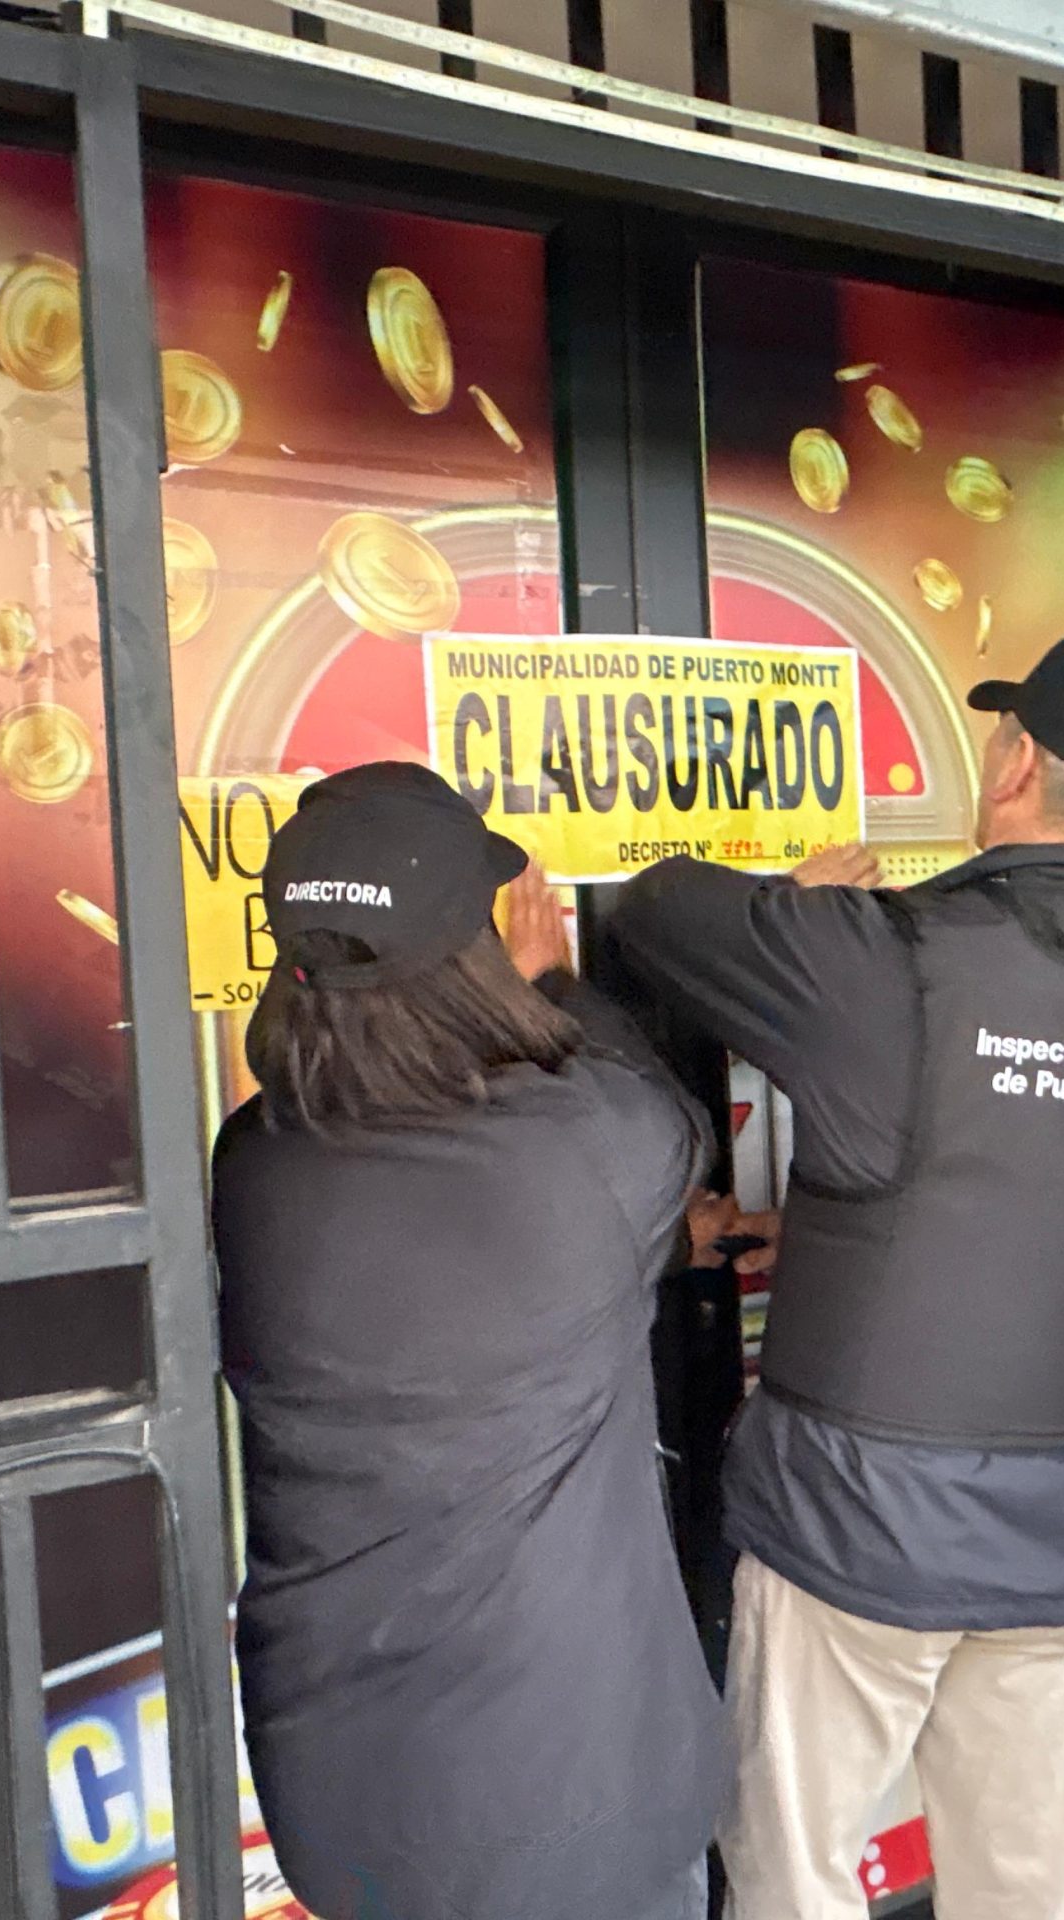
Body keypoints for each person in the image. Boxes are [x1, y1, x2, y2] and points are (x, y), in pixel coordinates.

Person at [613, 629, 1064, 1920]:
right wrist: (851, 1227)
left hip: (859, 1535)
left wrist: (795, 902)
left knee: (795, 1880)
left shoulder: (882, 954)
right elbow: (1061, 1190)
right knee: (1023, 1889)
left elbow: (654, 908)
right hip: (1060, 1548)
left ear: (1013, 761)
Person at [209, 763, 732, 1920]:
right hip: (572, 1794)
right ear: (473, 952)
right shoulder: (589, 1144)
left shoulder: (250, 1160)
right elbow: (677, 1131)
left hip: (339, 1789)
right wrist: (559, 985)